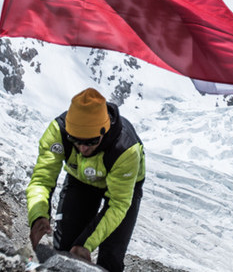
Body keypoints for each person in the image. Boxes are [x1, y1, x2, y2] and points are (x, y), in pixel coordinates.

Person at [26, 88, 145, 272]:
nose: (82, 148)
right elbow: (42, 179)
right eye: (76, 140)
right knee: (64, 249)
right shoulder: (57, 132)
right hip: (81, 181)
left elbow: (119, 203)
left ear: (104, 132)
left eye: (90, 142)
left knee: (111, 257)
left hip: (123, 190)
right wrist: (38, 215)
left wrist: (86, 244)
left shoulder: (125, 149)